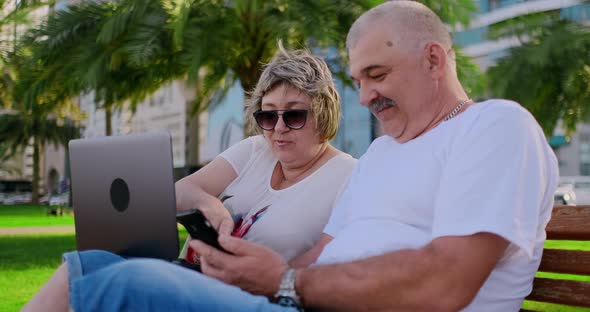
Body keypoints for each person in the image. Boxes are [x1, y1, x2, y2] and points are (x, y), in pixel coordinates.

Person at [24, 1, 559, 311]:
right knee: (95, 264)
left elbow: (448, 280)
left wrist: (283, 283)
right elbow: (314, 259)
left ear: (434, 59)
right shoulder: (381, 153)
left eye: (378, 75)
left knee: (120, 284)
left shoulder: (495, 125)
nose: (367, 96)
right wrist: (243, 272)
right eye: (359, 81)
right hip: (294, 305)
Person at [22, 47, 356, 311]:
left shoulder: (348, 175)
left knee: (122, 281)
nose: (278, 128)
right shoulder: (256, 149)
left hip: (255, 297)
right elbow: (181, 191)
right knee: (83, 265)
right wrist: (205, 201)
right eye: (268, 115)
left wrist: (262, 274)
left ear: (324, 113)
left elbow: (326, 266)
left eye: (294, 114)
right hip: (196, 275)